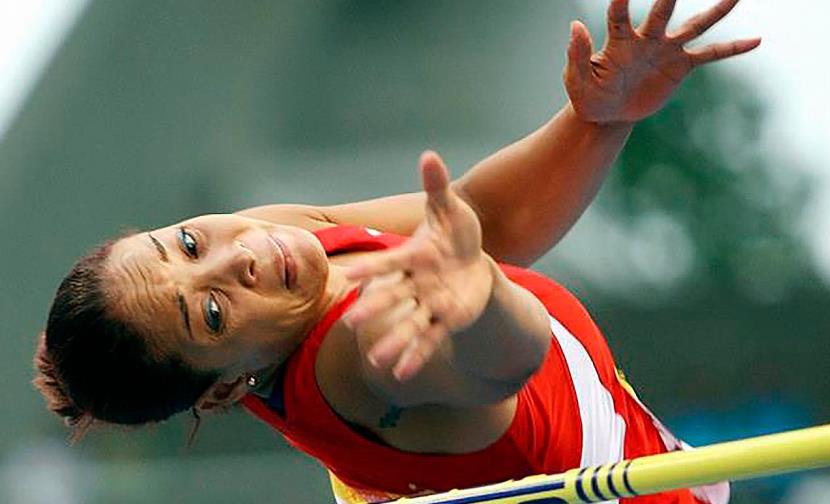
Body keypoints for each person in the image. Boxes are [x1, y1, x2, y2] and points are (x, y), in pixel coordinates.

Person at [33, 0, 759, 502]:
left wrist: (596, 120)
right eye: (213, 314)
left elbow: (488, 220)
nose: (233, 260)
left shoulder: (272, 248)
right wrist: (479, 304)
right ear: (226, 389)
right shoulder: (359, 354)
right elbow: (506, 360)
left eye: (185, 244)